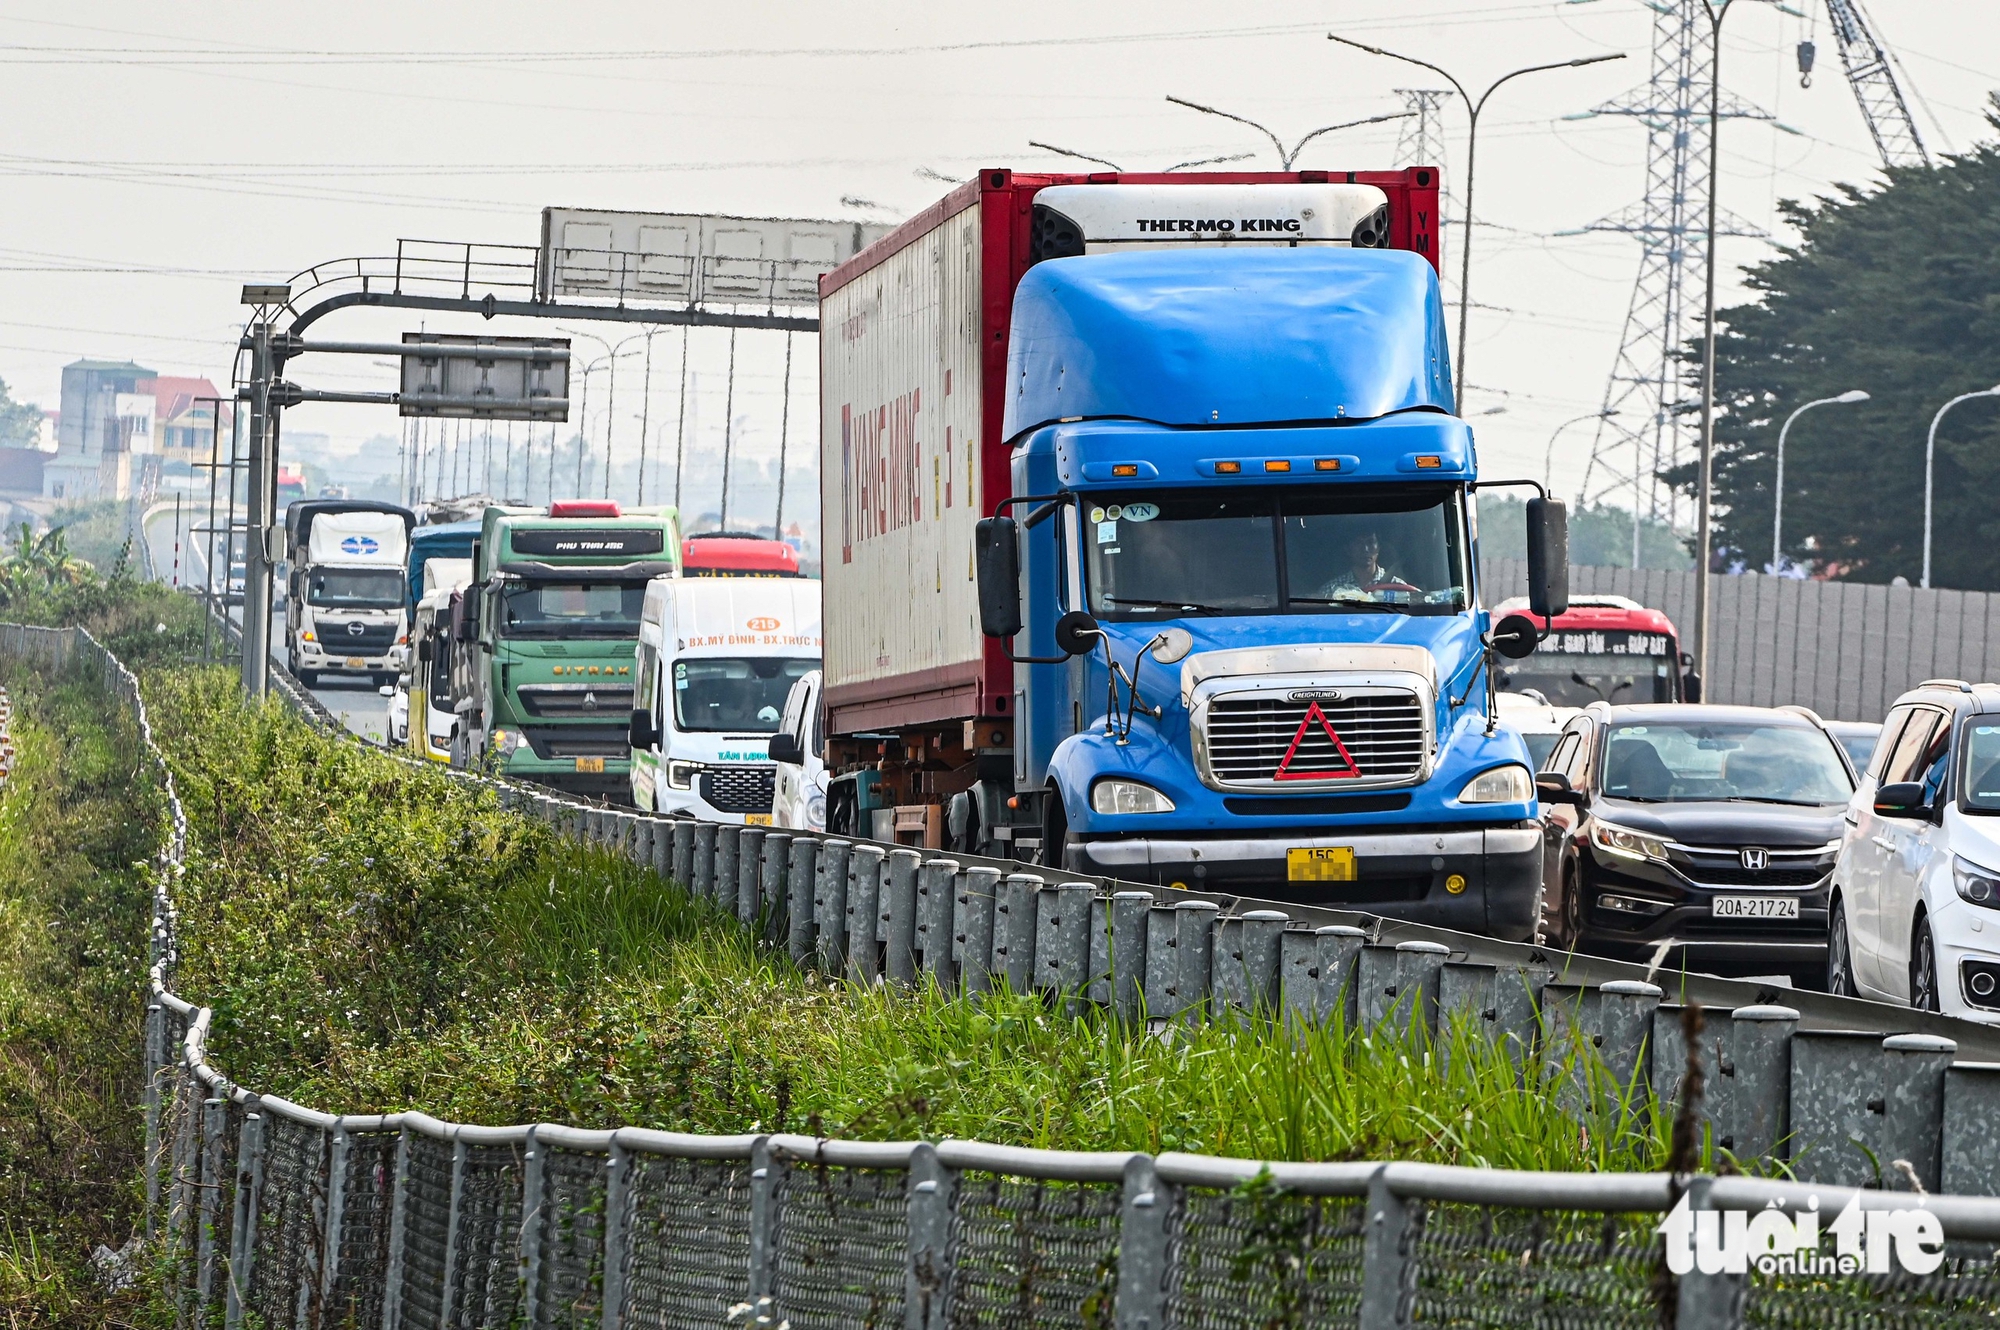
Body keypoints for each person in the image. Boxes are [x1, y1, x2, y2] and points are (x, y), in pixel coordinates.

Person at [1317, 527, 1410, 600]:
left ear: (1379, 547)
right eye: (1358, 543)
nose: (1365, 549)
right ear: (1348, 550)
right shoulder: (1331, 590)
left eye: (1370, 542)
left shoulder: (1399, 588)